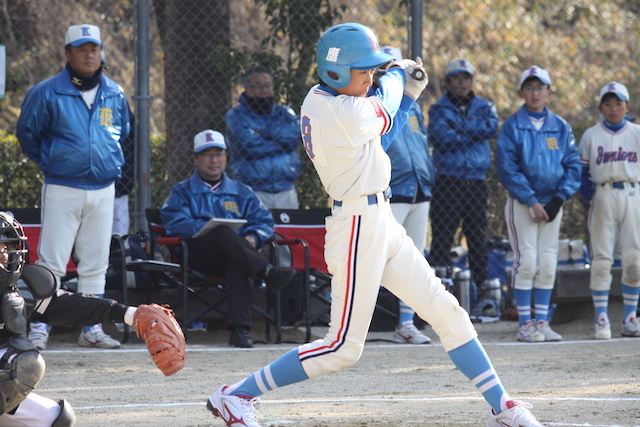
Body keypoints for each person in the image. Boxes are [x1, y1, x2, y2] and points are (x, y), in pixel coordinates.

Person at [206, 23, 546, 427]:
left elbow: (380, 137)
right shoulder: (333, 107)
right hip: (355, 228)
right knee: (342, 349)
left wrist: (403, 96)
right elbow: (383, 108)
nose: (370, 78)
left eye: (373, 71)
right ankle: (235, 396)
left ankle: (502, 406)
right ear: (335, 72)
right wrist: (398, 73)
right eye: (363, 71)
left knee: (447, 311)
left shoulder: (345, 102)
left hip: (381, 221)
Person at [0, 211, 179, 426]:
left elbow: (63, 305)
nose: (4, 256)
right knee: (22, 364)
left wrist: (130, 315)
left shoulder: (13, 290)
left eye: (4, 247)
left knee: (53, 419)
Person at [16, 24, 130, 350]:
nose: (89, 54)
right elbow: (28, 135)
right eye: (81, 49)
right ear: (68, 54)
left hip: (103, 187)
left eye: (94, 48)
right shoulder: (46, 91)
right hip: (62, 186)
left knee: (95, 262)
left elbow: (119, 134)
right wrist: (54, 162)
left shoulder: (115, 92)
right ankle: (39, 325)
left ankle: (91, 327)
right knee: (51, 262)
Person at [159, 129, 296, 348]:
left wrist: (252, 237)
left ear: (226, 157)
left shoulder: (242, 191)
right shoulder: (181, 191)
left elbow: (263, 221)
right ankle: (266, 271)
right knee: (222, 231)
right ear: (195, 159)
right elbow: (174, 224)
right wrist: (207, 227)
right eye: (207, 154)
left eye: (218, 153)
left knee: (236, 261)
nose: (214, 160)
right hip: (197, 255)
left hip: (238, 256)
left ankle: (239, 330)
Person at [496, 66, 581, 343]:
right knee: (527, 260)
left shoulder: (560, 126)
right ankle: (525, 324)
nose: (535, 93)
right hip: (523, 204)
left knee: (547, 261)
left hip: (552, 204)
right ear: (521, 92)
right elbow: (507, 168)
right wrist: (531, 200)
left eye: (540, 87)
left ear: (549, 91)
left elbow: (572, 165)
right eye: (529, 88)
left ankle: (542, 322)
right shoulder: (512, 126)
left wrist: (559, 198)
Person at [427, 58, 499, 295]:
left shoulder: (484, 107)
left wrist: (458, 127)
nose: (462, 82)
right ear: (448, 81)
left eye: (466, 77)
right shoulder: (438, 108)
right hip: (448, 179)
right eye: (457, 78)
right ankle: (436, 292)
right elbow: (442, 140)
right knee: (443, 236)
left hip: (476, 181)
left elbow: (491, 128)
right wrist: (472, 132)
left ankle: (483, 291)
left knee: (477, 237)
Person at [381, 45, 435, 345]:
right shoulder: (375, 101)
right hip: (392, 190)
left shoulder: (413, 104)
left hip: (419, 188)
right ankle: (343, 321)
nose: (397, 73)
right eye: (390, 68)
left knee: (415, 258)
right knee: (374, 257)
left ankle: (405, 322)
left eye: (399, 67)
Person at [578, 81, 640, 339]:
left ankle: (630, 318)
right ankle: (601, 318)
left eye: (618, 103)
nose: (614, 108)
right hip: (603, 192)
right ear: (601, 107)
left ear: (627, 106)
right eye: (608, 103)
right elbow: (582, 173)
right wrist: (590, 198)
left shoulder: (636, 132)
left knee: (634, 258)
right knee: (601, 259)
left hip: (633, 192)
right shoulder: (591, 135)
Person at [225, 65, 301, 209]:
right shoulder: (236, 116)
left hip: (286, 189)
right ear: (247, 89)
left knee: (288, 231)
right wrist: (282, 143)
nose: (263, 91)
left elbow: (296, 135)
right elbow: (248, 146)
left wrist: (263, 132)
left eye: (267, 86)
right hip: (252, 190)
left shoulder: (284, 113)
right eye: (257, 86)